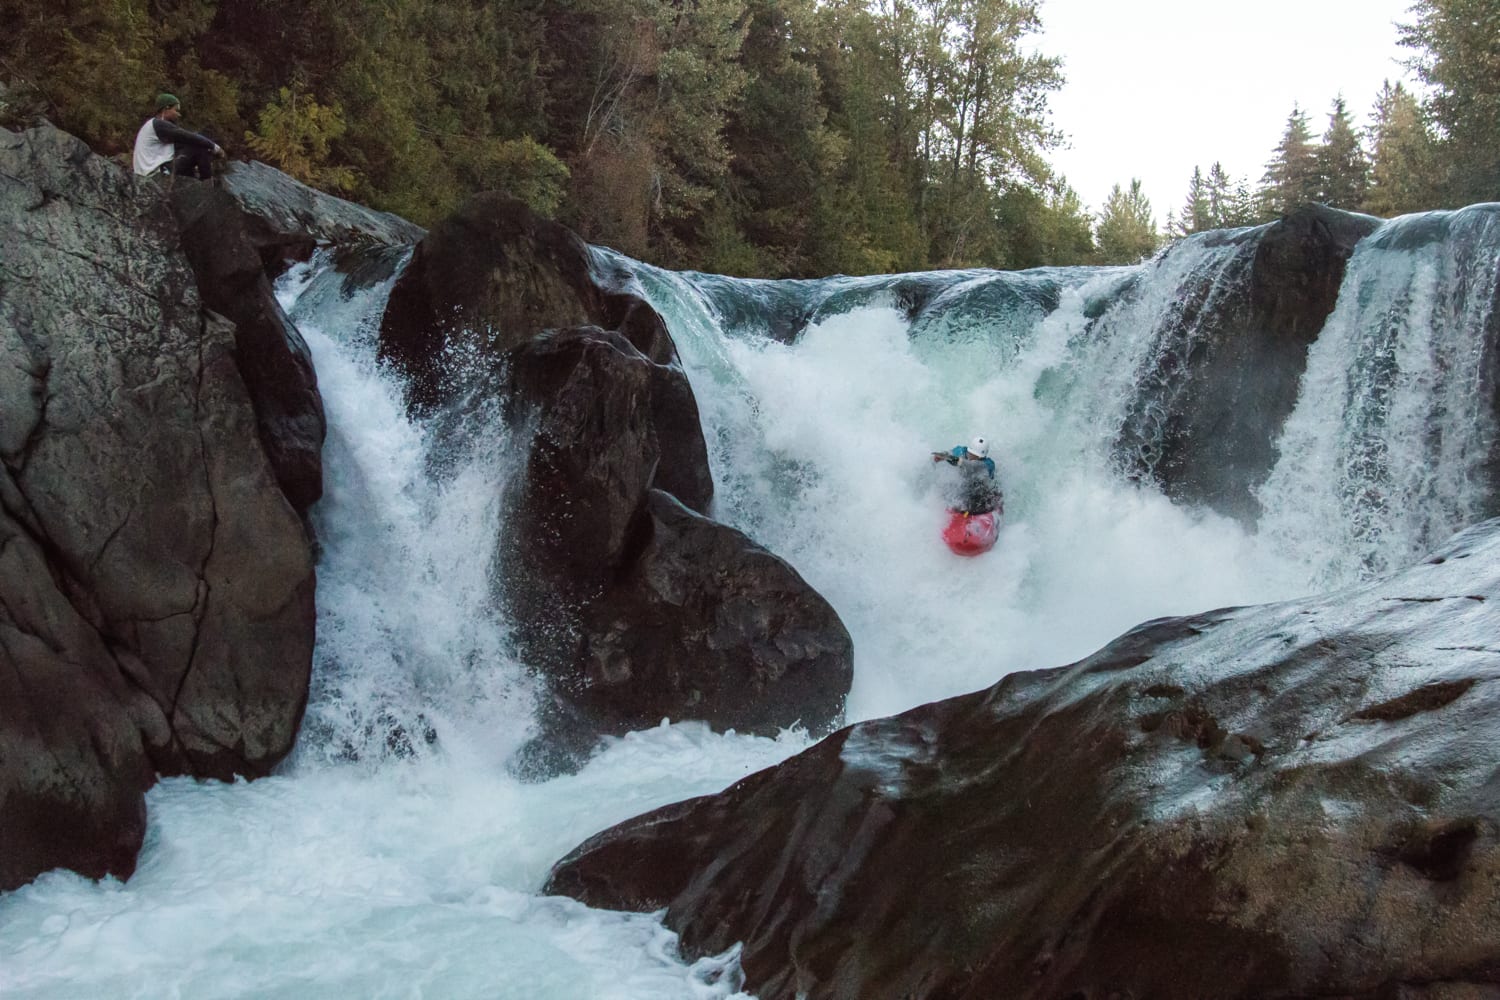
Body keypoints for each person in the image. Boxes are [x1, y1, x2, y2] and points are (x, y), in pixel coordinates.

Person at [133, 93, 224, 180]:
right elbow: (189, 137)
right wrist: (214, 147)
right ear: (166, 108)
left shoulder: (152, 125)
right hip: (156, 173)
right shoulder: (159, 124)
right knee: (199, 147)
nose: (178, 114)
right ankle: (206, 186)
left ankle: (196, 184)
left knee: (194, 149)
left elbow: (182, 146)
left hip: (148, 172)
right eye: (176, 110)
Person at [931, 435, 1003, 515]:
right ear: (968, 450)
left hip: (978, 490)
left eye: (976, 457)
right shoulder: (961, 451)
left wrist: (947, 457)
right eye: (971, 454)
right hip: (963, 487)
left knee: (989, 495)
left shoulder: (987, 464)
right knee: (948, 488)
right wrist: (943, 455)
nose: (972, 458)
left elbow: (969, 465)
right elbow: (949, 453)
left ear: (982, 457)